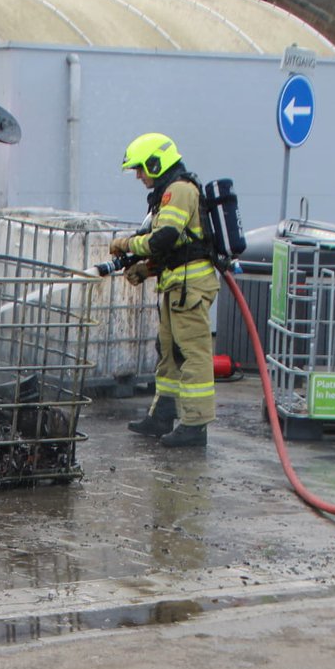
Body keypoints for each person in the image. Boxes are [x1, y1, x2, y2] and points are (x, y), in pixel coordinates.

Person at [110, 133, 219, 448]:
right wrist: (145, 269)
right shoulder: (168, 192)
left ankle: (195, 425)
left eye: (141, 168)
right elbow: (177, 249)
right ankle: (162, 416)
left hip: (191, 288)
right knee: (169, 353)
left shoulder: (180, 191)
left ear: (156, 163)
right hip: (177, 284)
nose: (139, 175)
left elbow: (163, 239)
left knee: (192, 354)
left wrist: (125, 243)